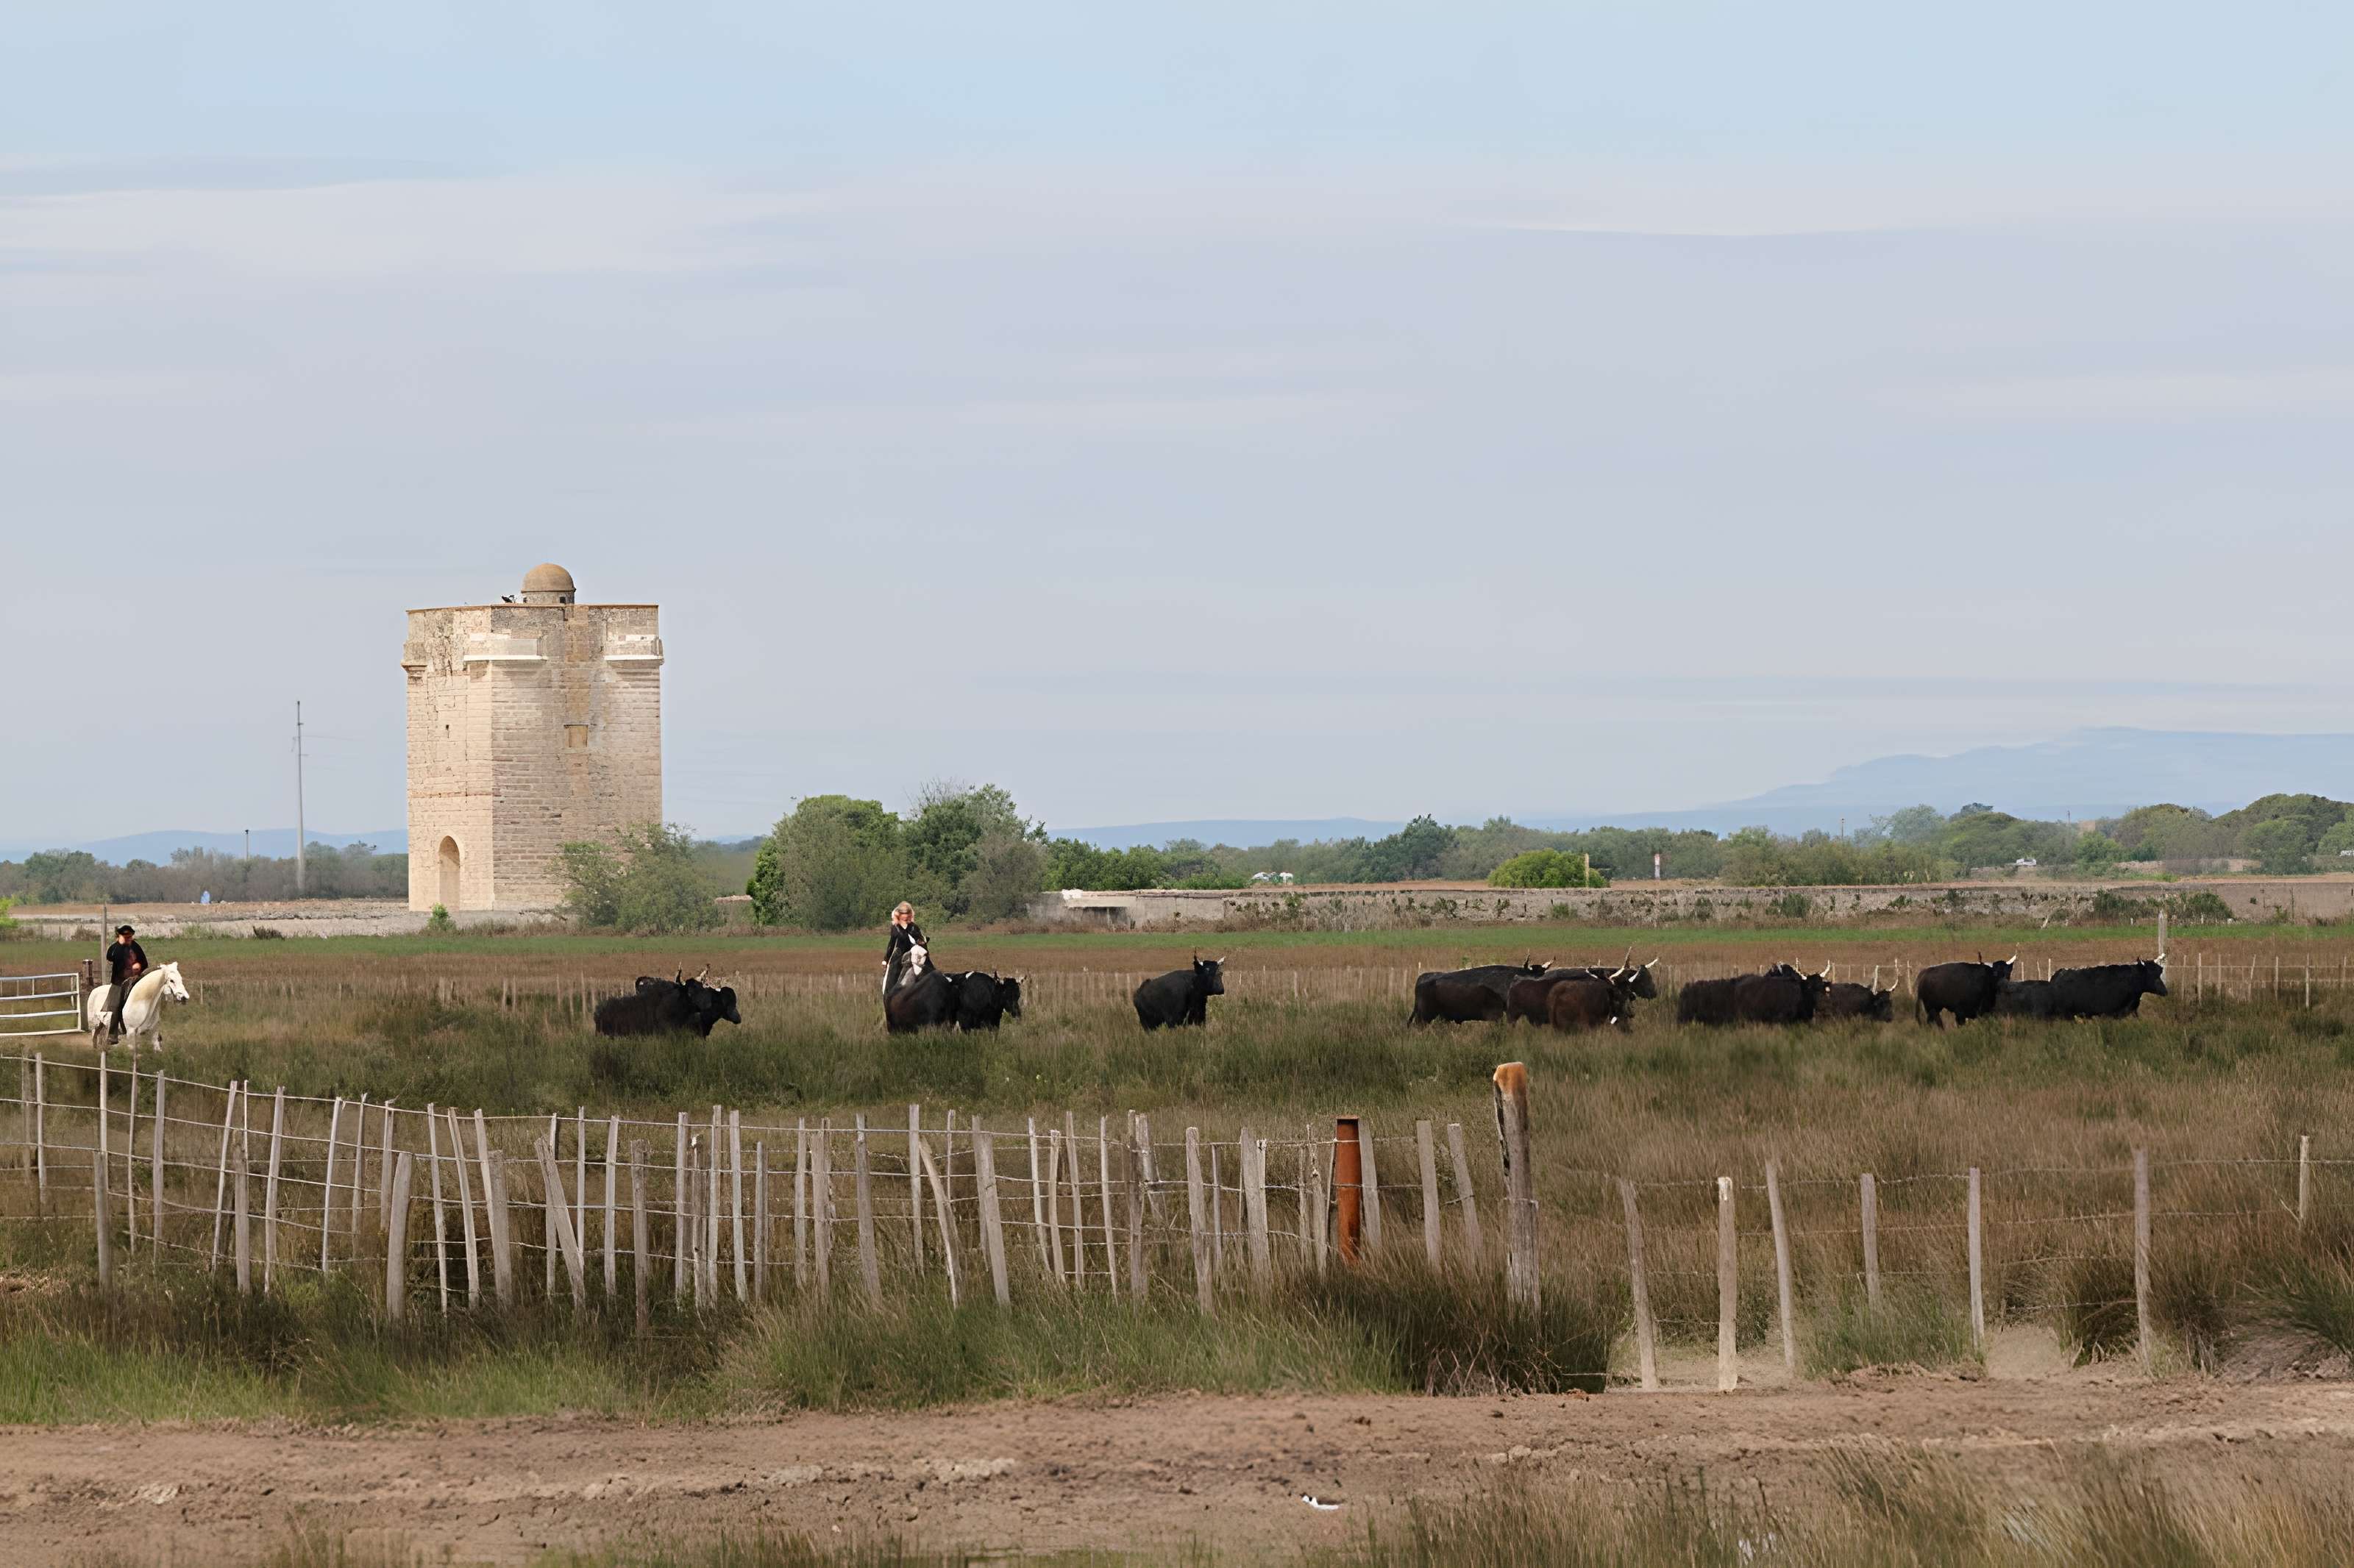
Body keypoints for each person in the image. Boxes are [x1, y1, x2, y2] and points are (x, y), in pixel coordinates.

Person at [102, 924, 149, 1043]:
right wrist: (119, 944)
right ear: (120, 936)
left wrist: (139, 966)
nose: (129, 938)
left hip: (135, 980)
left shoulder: (136, 947)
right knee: (114, 1005)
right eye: (126, 936)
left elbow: (144, 963)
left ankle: (148, 1028)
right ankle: (112, 1034)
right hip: (119, 982)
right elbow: (110, 957)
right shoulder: (115, 948)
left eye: (130, 936)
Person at [882, 902, 926, 994]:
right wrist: (886, 959)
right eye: (903, 914)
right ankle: (889, 994)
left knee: (927, 969)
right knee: (892, 972)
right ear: (899, 915)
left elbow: (921, 940)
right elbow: (892, 943)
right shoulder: (895, 927)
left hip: (915, 954)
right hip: (900, 954)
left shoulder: (914, 927)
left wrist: (921, 941)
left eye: (907, 914)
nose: (905, 916)